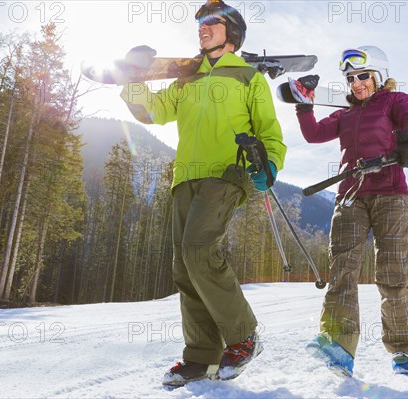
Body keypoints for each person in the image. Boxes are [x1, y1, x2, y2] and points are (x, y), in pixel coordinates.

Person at [119, 0, 286, 387]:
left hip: (228, 172)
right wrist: (134, 76)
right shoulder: (187, 79)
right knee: (184, 266)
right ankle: (201, 357)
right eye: (199, 24)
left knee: (199, 250)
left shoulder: (249, 78)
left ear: (233, 32)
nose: (202, 28)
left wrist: (269, 165)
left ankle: (244, 336)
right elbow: (152, 113)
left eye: (211, 22)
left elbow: (270, 132)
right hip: (186, 177)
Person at [294, 45, 408, 376]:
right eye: (351, 78)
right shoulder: (346, 113)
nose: (357, 83)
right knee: (343, 268)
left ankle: (403, 347)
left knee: (391, 273)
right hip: (350, 195)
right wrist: (303, 106)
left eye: (363, 76)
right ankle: (338, 345)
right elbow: (314, 134)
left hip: (390, 195)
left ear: (379, 75)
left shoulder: (395, 101)